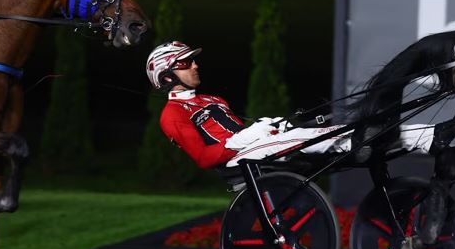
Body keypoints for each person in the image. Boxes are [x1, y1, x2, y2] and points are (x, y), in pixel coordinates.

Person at [145, 41, 351, 169]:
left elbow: (241, 131)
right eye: (186, 63)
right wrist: (251, 135)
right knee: (292, 138)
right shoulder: (172, 114)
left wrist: (269, 126)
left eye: (193, 60)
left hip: (251, 150)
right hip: (235, 161)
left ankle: (349, 136)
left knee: (296, 130)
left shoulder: (212, 100)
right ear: (166, 77)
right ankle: (351, 141)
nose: (195, 65)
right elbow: (203, 158)